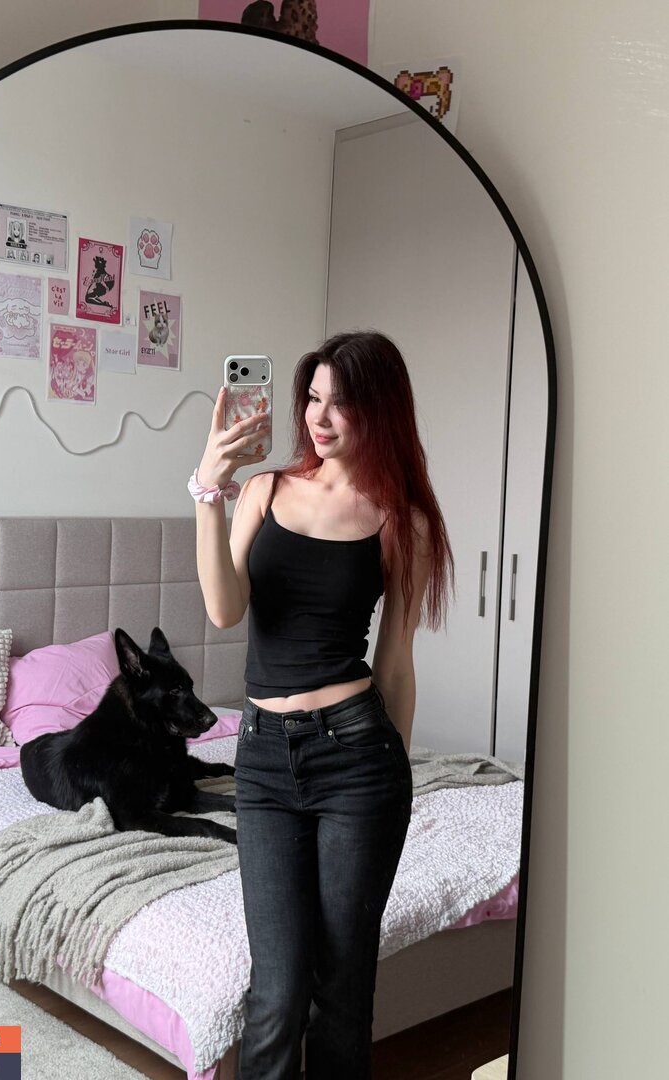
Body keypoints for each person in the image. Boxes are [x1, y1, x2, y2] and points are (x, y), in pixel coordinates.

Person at [191, 330, 453, 1080]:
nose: (320, 417)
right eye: (312, 398)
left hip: (358, 760)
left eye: (342, 403)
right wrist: (208, 490)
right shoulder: (264, 490)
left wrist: (398, 777)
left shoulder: (402, 521)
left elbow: (395, 661)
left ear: (381, 412)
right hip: (264, 762)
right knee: (276, 992)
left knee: (341, 991)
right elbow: (223, 609)